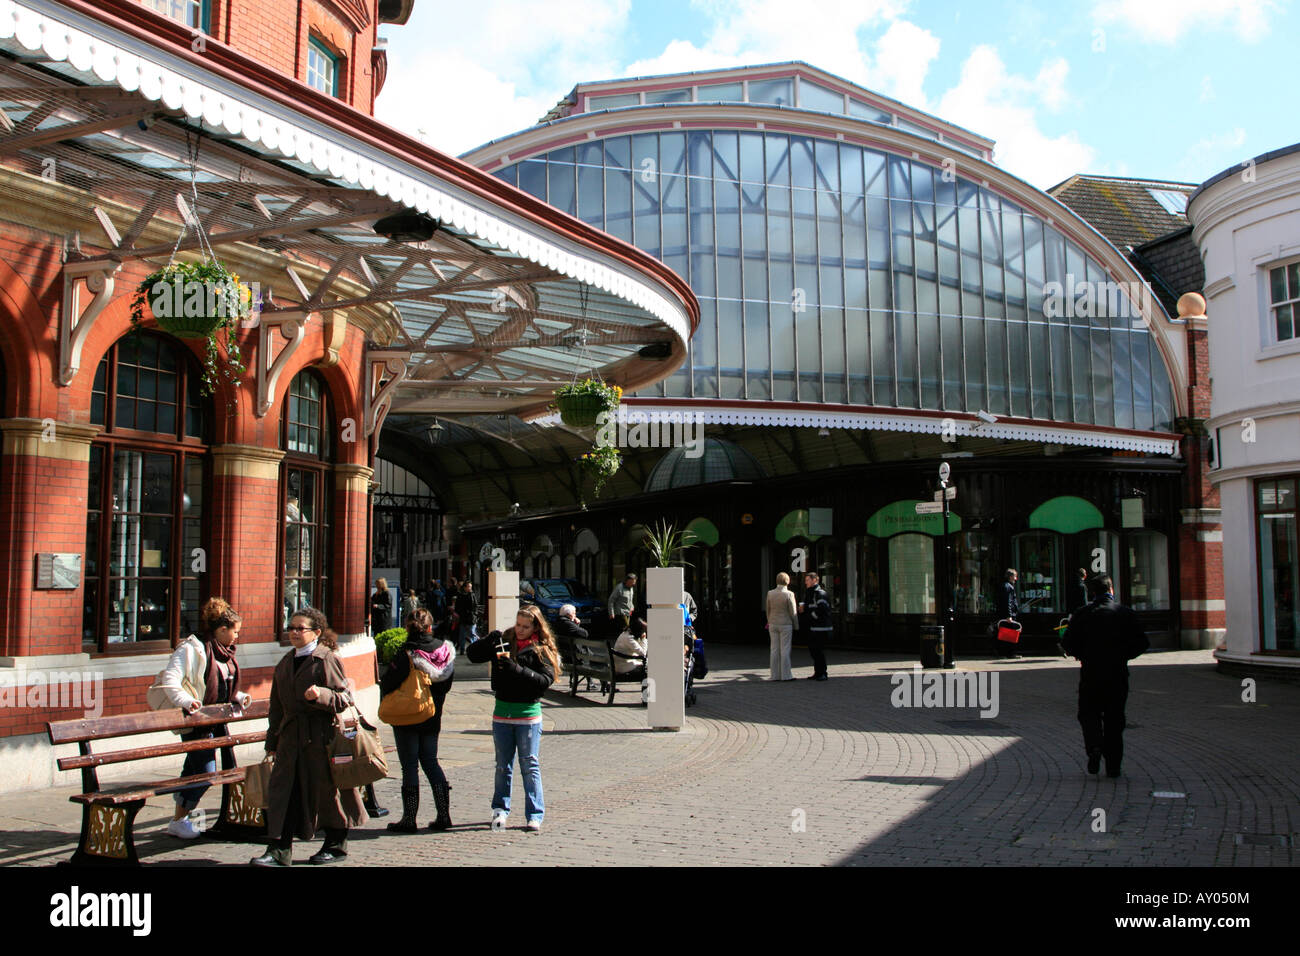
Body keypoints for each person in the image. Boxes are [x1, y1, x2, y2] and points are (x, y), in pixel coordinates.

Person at [251, 607, 366, 866]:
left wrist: (322, 696)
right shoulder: (285, 662)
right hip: (290, 739)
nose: (293, 633)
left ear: (316, 632)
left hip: (320, 738)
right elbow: (276, 707)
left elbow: (344, 697)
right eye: (290, 628)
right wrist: (272, 742)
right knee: (283, 792)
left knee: (325, 792)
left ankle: (336, 843)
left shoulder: (326, 659)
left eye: (299, 628)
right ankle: (279, 850)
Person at [154, 597, 252, 839]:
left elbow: (219, 685)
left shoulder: (224, 652)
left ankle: (179, 819)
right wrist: (187, 702)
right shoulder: (191, 648)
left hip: (215, 720)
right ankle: (179, 819)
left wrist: (237, 696)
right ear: (221, 630)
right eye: (235, 632)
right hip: (196, 720)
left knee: (195, 769)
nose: (237, 637)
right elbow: (170, 680)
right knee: (206, 772)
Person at [466, 606, 561, 833]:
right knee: (502, 766)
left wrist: (516, 669)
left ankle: (534, 814)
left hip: (527, 715)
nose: (520, 630)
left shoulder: (541, 649)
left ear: (536, 627)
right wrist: (488, 640)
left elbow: (545, 680)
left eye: (525, 626)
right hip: (502, 712)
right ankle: (500, 809)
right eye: (518, 624)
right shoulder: (505, 641)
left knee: (529, 765)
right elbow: (473, 655)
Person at [1062, 574, 1149, 778]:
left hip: (1091, 673)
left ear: (1093, 593)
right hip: (1117, 673)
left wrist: (1081, 654)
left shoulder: (1083, 614)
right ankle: (1113, 765)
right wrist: (1124, 655)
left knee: (1088, 713)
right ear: (1111, 590)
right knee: (1115, 719)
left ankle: (1094, 747)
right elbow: (1142, 643)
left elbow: (1067, 643)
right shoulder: (1125, 613)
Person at [379, 609, 456, 833]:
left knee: (410, 766)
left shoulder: (407, 652)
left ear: (408, 628)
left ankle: (409, 819)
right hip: (433, 716)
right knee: (431, 761)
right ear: (430, 627)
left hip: (407, 716)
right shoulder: (445, 651)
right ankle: (444, 816)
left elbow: (389, 682)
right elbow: (446, 684)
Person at [765, 572, 798, 681]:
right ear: (787, 581)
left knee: (774, 649)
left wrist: (769, 620)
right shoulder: (789, 594)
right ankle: (786, 675)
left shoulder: (770, 593)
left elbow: (768, 609)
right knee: (785, 650)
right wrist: (796, 625)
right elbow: (793, 611)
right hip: (785, 623)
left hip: (773, 623)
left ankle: (774, 675)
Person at [799, 572, 832, 681]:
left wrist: (811, 616)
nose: (806, 582)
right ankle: (817, 672)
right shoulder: (809, 593)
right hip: (813, 627)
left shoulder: (820, 593)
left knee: (819, 651)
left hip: (821, 628)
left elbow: (822, 609)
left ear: (815, 580)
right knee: (814, 651)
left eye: (808, 580)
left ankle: (823, 673)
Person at [994, 568, 1021, 659]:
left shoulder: (1006, 586)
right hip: (1008, 615)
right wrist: (1009, 615)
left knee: (1007, 634)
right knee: (1009, 634)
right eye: (1014, 576)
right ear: (1010, 577)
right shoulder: (1008, 587)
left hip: (1007, 614)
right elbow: (1008, 602)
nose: (1016, 579)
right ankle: (1008, 653)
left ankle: (1007, 652)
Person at [454, 581, 479, 652]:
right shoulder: (460, 595)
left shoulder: (472, 595)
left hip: (471, 617)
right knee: (462, 633)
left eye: (470, 587)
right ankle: (462, 648)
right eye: (468, 586)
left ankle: (473, 648)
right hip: (463, 617)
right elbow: (457, 606)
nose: (470, 588)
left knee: (472, 632)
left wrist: (475, 614)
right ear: (464, 587)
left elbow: (475, 605)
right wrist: (460, 613)